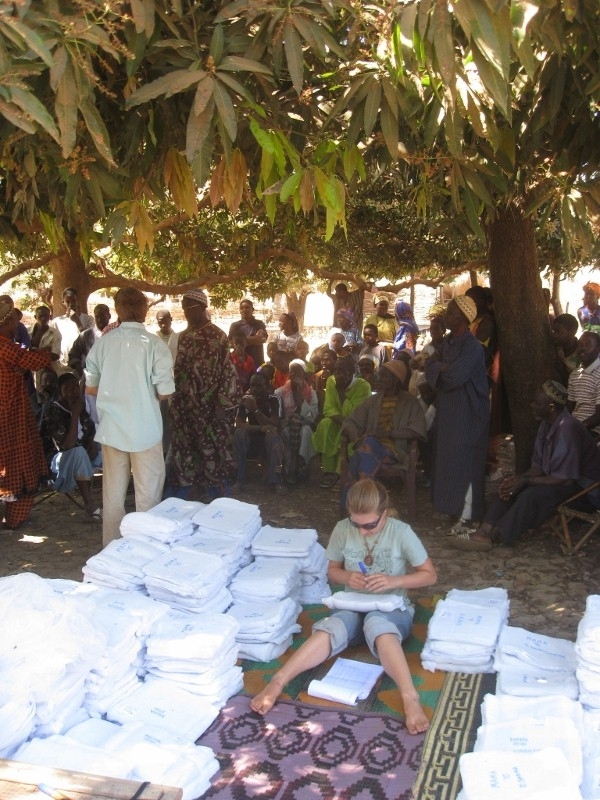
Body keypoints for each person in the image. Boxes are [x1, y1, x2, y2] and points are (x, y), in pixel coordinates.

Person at [250, 478, 437, 735]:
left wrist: (394, 581)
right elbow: (332, 571)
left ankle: (409, 697)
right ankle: (278, 681)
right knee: (332, 627)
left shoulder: (401, 532)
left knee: (379, 626)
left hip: (391, 606)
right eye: (356, 524)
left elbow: (429, 575)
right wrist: (348, 577)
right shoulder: (342, 529)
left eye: (369, 525)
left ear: (384, 513)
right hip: (351, 603)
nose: (362, 531)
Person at [450, 381, 600, 550]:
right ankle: (484, 530)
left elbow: (565, 480)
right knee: (511, 485)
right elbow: (538, 467)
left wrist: (526, 481)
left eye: (536, 403)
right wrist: (519, 480)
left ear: (551, 407)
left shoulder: (567, 428)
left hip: (584, 492)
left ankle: (495, 535)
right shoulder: (546, 424)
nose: (532, 405)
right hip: (561, 482)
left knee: (531, 495)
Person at [85, 287, 174, 545]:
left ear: (118, 310)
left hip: (113, 429)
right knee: (148, 496)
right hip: (145, 429)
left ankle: (112, 550)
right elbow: (165, 393)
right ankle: (146, 548)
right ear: (144, 311)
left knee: (113, 497)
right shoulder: (155, 345)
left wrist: (116, 391)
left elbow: (91, 388)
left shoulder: (103, 344)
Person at [424, 295, 490, 533]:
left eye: (451, 313)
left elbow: (454, 377)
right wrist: (440, 366)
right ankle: (450, 507)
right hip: (449, 409)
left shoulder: (473, 348)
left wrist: (442, 368)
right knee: (447, 458)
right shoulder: (446, 343)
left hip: (468, 412)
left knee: (466, 461)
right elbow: (428, 365)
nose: (446, 316)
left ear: (462, 318)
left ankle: (468, 514)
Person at [168, 289, 239, 500]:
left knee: (212, 449)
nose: (185, 313)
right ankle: (189, 492)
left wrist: (221, 404)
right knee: (186, 448)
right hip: (185, 406)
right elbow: (176, 372)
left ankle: (215, 493)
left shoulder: (218, 336)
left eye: (188, 308)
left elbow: (227, 373)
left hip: (210, 407)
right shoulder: (181, 337)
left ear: (201, 307)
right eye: (183, 309)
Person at [0, 296, 52, 529]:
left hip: (10, 414)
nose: (17, 325)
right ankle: (14, 518)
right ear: (6, 322)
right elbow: (32, 360)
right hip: (11, 417)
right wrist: (46, 352)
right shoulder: (5, 347)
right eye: (14, 321)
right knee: (18, 462)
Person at [342, 361, 427, 496]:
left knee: (362, 452)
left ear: (395, 380)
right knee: (365, 448)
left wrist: (386, 433)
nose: (379, 379)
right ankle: (363, 499)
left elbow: (416, 431)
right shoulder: (373, 400)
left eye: (383, 376)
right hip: (368, 448)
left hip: (395, 452)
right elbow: (350, 422)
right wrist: (356, 438)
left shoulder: (411, 402)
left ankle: (355, 500)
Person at [42, 373, 101, 519]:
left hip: (82, 456)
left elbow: (91, 431)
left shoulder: (80, 406)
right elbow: (67, 445)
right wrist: (74, 415)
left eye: (75, 386)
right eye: (67, 387)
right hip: (58, 463)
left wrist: (93, 443)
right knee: (78, 452)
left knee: (108, 448)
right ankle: (89, 504)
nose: (73, 390)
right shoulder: (54, 410)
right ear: (60, 391)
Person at [312, 357, 371, 488]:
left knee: (349, 434)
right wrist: (345, 423)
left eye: (341, 370)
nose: (337, 373)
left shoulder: (363, 386)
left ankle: (341, 473)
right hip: (338, 420)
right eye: (335, 370)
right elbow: (329, 408)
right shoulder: (331, 381)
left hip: (356, 424)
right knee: (325, 424)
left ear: (351, 372)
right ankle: (328, 471)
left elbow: (354, 413)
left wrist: (340, 391)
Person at [234, 371, 284, 490]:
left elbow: (274, 424)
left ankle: (275, 481)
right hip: (252, 437)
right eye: (252, 385)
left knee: (272, 434)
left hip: (269, 438)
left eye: (259, 386)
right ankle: (239, 479)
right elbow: (239, 424)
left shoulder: (274, 399)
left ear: (267, 386)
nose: (254, 389)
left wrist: (255, 409)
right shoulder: (246, 399)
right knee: (239, 434)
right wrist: (260, 428)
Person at [275, 359, 318, 484]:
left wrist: (301, 398)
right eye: (291, 371)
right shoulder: (280, 392)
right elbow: (278, 415)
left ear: (304, 374)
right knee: (290, 428)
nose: (293, 374)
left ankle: (297, 466)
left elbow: (311, 417)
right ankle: (296, 466)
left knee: (305, 431)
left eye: (297, 371)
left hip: (304, 425)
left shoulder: (311, 393)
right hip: (286, 426)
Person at [51, 287, 94, 369]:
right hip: (63, 364)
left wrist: (77, 321)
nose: (71, 304)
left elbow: (88, 340)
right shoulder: (56, 322)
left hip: (83, 363)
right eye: (67, 301)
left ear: (78, 301)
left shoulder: (89, 319)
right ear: (63, 302)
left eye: (74, 301)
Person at [567, 331, 600, 437]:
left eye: (588, 345)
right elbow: (570, 407)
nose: (583, 348)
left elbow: (598, 416)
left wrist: (577, 428)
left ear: (598, 349)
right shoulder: (574, 375)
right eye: (580, 345)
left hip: (593, 430)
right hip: (574, 426)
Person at [68, 304, 112, 377]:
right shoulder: (86, 335)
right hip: (91, 377)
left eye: (102, 316)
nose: (99, 319)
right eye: (97, 317)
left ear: (109, 316)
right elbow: (73, 354)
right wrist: (82, 372)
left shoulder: (115, 335)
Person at [28, 306, 61, 387]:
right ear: (35, 317)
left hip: (49, 372)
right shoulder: (27, 332)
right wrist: (44, 350)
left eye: (46, 316)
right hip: (31, 372)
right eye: (40, 316)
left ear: (50, 317)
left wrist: (34, 352)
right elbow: (23, 352)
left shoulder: (55, 333)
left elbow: (55, 355)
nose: (43, 318)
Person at [228, 299, 268, 366]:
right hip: (239, 364)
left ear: (252, 309)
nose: (244, 310)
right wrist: (254, 339)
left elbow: (261, 340)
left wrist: (239, 340)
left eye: (247, 307)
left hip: (256, 362)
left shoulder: (259, 324)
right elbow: (230, 344)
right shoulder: (235, 326)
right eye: (242, 308)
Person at [552, 313, 580, 383]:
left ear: (572, 333)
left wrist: (562, 370)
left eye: (559, 332)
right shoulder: (556, 348)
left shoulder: (581, 354)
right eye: (554, 331)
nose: (555, 335)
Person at [314, 348, 336, 414]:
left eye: (327, 360)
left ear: (335, 361)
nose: (323, 363)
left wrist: (330, 378)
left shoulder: (339, 374)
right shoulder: (318, 375)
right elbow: (317, 393)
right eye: (322, 360)